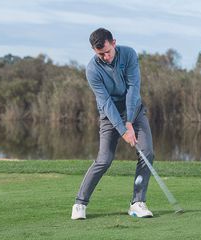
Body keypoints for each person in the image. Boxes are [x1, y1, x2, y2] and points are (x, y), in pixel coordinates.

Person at [71, 28, 154, 220]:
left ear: (114, 43)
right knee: (104, 159)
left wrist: (130, 121)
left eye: (107, 51)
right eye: (100, 53)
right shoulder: (92, 70)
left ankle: (137, 203)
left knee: (147, 152)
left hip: (134, 110)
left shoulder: (129, 54)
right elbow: (106, 103)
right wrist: (123, 129)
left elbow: (134, 88)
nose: (106, 57)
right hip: (110, 116)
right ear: (94, 50)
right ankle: (80, 203)